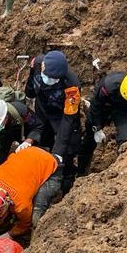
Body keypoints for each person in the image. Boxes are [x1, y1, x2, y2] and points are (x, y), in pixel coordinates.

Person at [0, 146, 62, 245]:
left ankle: (35, 244)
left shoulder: (21, 205)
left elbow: (26, 223)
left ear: (7, 201)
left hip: (49, 163)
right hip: (27, 153)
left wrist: (10, 234)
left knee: (37, 214)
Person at [24, 50, 81, 194]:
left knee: (66, 151)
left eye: (53, 78)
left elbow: (68, 118)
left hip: (61, 117)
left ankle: (66, 187)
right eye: (47, 76)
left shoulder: (72, 86)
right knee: (41, 144)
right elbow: (30, 90)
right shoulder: (37, 64)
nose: (48, 80)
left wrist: (58, 151)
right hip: (42, 112)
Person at [0, 95, 44, 165]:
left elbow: (38, 126)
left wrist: (28, 141)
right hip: (1, 136)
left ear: (5, 117)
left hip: (21, 130)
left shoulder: (20, 110)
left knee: (34, 156)